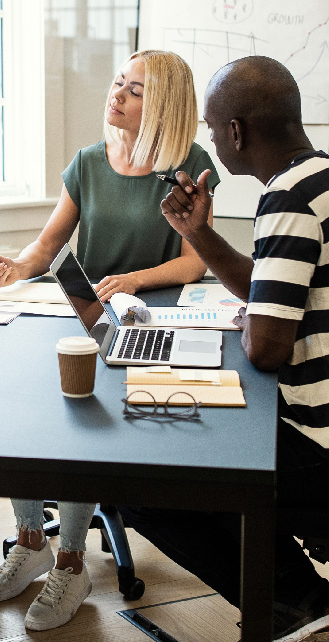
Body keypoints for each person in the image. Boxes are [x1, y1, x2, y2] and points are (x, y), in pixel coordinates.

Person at [0, 50, 220, 632]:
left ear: (162, 105)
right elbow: (47, 245)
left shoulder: (190, 163)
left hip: (151, 323)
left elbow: (193, 263)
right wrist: (16, 266)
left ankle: (71, 562)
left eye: (134, 90)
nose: (116, 95)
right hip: (85, 314)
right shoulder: (88, 161)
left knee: (81, 429)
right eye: (118, 83)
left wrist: (133, 279)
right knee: (30, 409)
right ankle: (31, 541)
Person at [120, 55, 329, 642]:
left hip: (319, 444)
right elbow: (268, 290)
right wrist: (199, 234)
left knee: (146, 480)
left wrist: (248, 325)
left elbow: (264, 348)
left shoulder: (287, 198)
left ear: (235, 131)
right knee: (192, 433)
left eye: (212, 127)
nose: (210, 138)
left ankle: (296, 598)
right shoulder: (319, 178)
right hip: (320, 427)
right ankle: (295, 598)